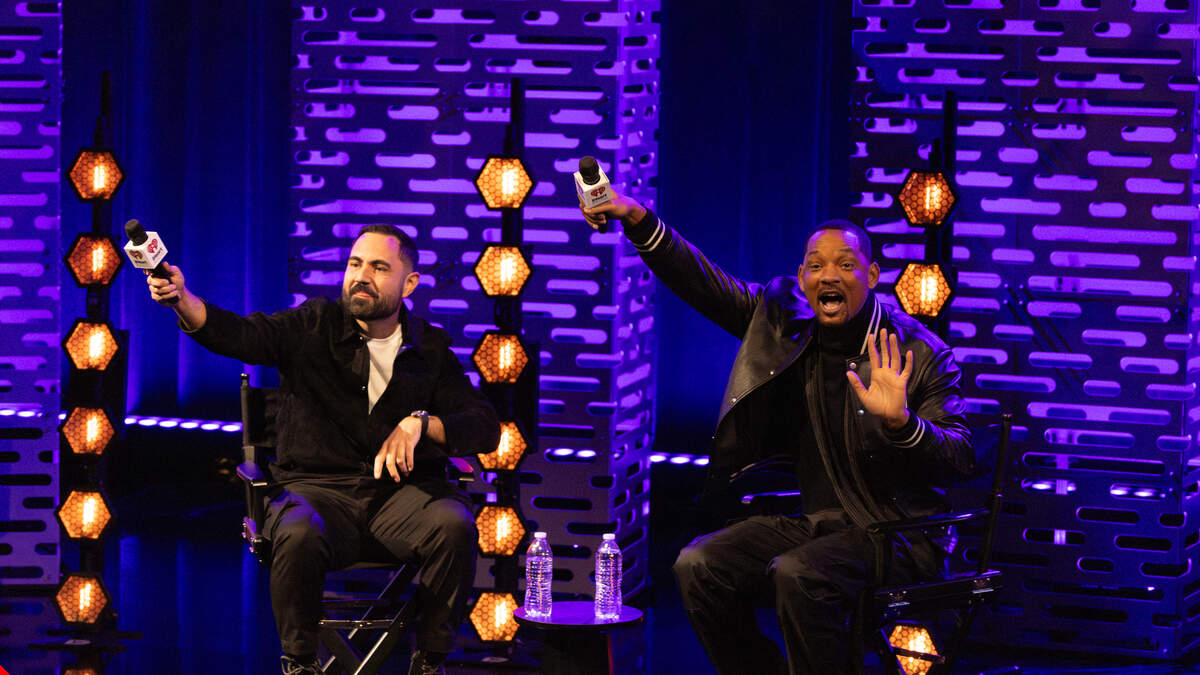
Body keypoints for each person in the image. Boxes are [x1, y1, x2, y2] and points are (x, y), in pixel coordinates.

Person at [580, 195, 976, 674]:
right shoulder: (784, 323)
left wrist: (903, 423)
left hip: (902, 535)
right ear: (802, 278)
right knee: (698, 564)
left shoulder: (919, 352)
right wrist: (635, 217)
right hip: (820, 523)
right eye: (816, 266)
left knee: (798, 573)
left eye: (846, 265)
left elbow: (961, 457)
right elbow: (701, 281)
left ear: (872, 276)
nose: (829, 276)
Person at [145, 225, 500, 675]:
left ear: (409, 283)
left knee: (453, 524)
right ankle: (300, 662)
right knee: (298, 529)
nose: (361, 276)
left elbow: (485, 426)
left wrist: (423, 423)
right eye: (355, 264)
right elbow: (240, 335)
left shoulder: (428, 348)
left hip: (400, 499)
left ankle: (430, 661)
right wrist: (183, 300)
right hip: (318, 493)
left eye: (379, 267)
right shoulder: (312, 325)